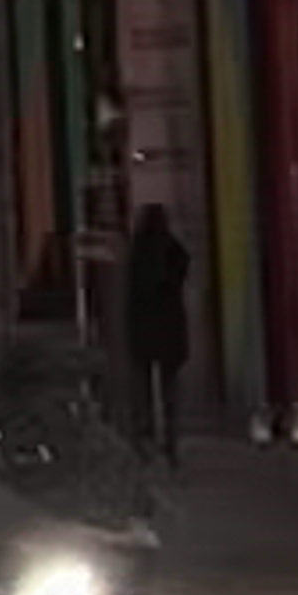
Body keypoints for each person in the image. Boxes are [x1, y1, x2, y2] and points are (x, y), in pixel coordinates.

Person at [122, 196, 192, 469]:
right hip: (170, 332)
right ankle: (170, 444)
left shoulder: (136, 252)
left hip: (142, 331)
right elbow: (181, 275)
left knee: (143, 393)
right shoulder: (174, 251)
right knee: (169, 391)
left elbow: (130, 293)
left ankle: (144, 442)